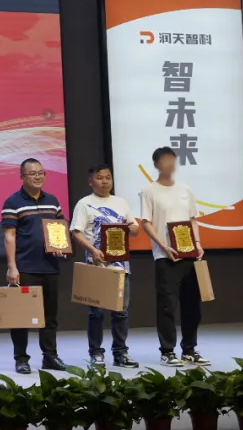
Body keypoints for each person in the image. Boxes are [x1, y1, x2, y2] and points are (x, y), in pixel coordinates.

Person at [140, 146, 209, 368]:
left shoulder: (185, 189)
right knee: (167, 306)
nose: (169, 164)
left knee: (192, 305)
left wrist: (197, 244)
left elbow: (192, 219)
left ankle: (189, 349)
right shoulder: (149, 190)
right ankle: (167, 352)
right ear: (156, 164)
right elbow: (146, 223)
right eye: (164, 160)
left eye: (172, 159)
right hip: (165, 256)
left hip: (189, 255)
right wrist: (163, 246)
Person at [69, 164, 140, 369]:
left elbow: (134, 228)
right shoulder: (84, 204)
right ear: (90, 181)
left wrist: (132, 227)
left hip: (121, 266)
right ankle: (96, 353)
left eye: (108, 177)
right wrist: (92, 250)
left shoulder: (121, 202)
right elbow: (76, 232)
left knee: (121, 312)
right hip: (96, 265)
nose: (105, 181)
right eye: (100, 178)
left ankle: (120, 353)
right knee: (96, 313)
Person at [2, 157, 68, 374]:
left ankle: (50, 356)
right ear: (22, 177)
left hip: (50, 267)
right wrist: (12, 266)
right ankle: (21, 358)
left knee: (50, 316)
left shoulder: (53, 200)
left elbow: (59, 229)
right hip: (25, 267)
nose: (38, 177)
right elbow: (9, 236)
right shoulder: (12, 202)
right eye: (33, 173)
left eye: (41, 173)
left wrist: (61, 246)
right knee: (20, 317)